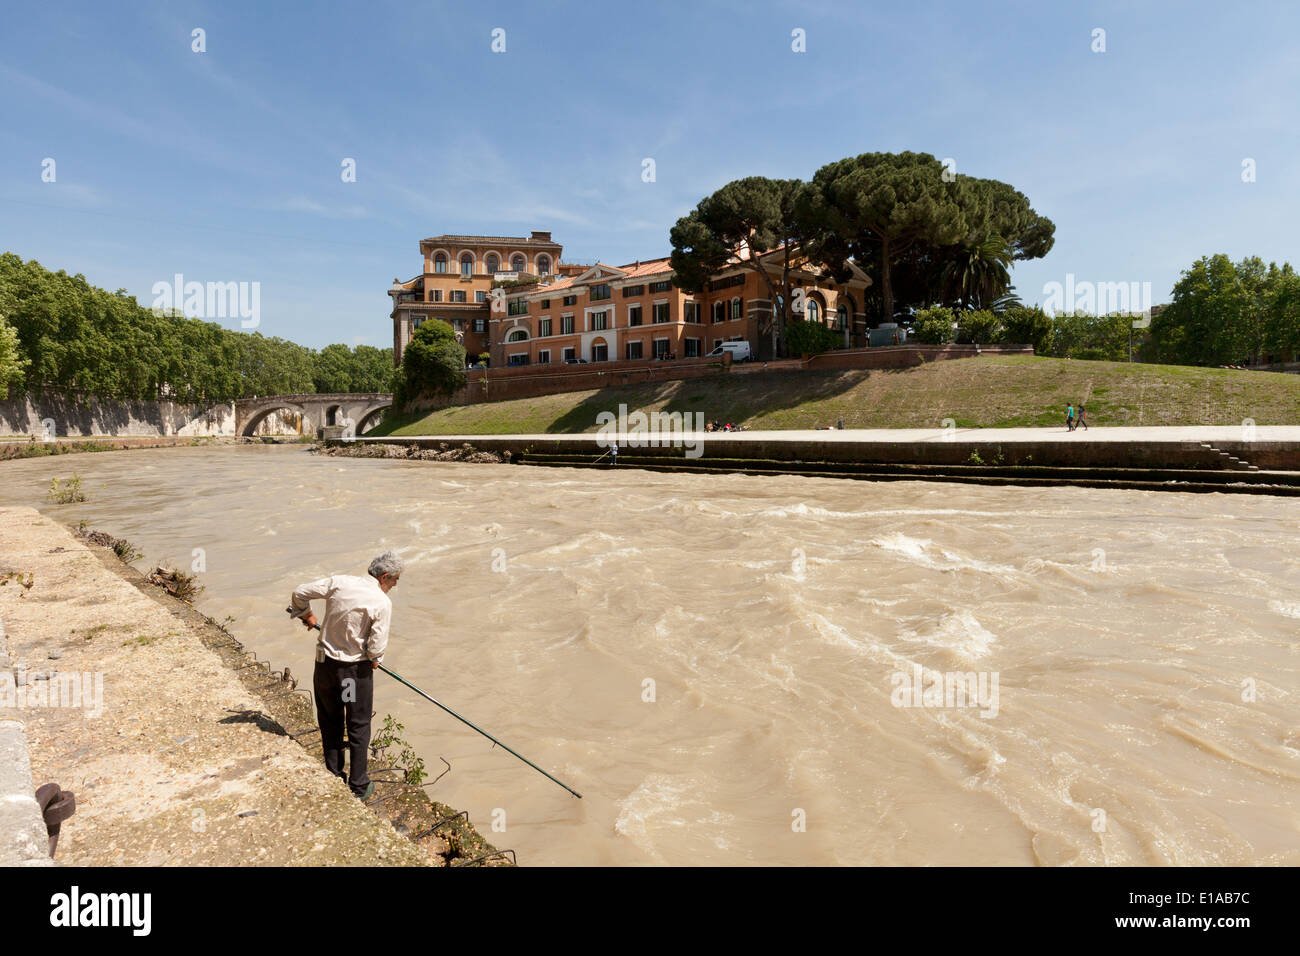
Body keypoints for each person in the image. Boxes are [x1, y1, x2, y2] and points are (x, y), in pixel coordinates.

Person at [291, 550, 402, 801]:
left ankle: (333, 773)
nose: (395, 585)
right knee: (358, 725)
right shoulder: (381, 602)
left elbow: (299, 593)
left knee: (330, 718)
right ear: (385, 576)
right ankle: (359, 785)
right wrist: (375, 660)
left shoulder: (340, 582)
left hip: (324, 667)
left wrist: (305, 614)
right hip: (351, 675)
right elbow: (375, 648)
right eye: (395, 580)